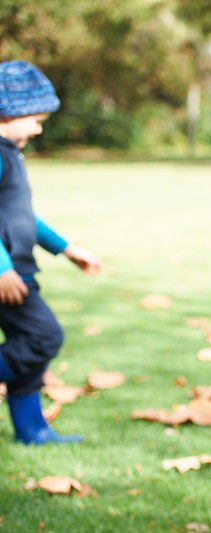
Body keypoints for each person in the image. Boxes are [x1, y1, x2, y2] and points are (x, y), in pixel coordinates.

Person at [0, 60, 103, 445]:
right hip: (8, 276)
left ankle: (32, 431)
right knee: (44, 337)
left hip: (16, 272)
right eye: (36, 119)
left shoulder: (9, 153)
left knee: (33, 349)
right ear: (9, 111)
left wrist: (67, 249)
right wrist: (2, 268)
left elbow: (22, 215)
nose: (40, 128)